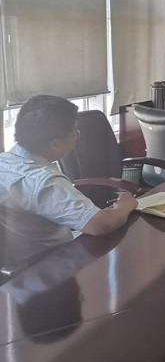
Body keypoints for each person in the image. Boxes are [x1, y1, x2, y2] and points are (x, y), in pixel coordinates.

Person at [0, 95, 137, 270]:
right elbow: (101, 225)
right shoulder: (44, 181)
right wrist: (125, 205)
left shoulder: (4, 161)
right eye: (75, 133)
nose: (77, 137)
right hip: (50, 269)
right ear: (55, 144)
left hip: (17, 270)